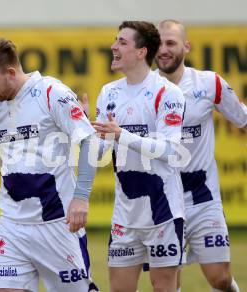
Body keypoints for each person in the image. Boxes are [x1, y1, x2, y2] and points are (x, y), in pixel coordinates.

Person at [0, 38, 99, 292]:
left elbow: (89, 140)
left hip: (57, 224)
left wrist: (81, 197)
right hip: (11, 227)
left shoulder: (50, 92)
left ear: (10, 73)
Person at [92, 21, 186, 292]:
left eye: (122, 42)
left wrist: (121, 134)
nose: (114, 46)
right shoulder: (109, 93)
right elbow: (99, 151)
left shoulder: (167, 92)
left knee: (164, 288)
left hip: (163, 211)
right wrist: (86, 134)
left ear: (142, 52)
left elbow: (169, 150)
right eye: (115, 40)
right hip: (125, 215)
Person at [156, 19, 246, 292]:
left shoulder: (209, 84)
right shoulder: (144, 89)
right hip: (162, 201)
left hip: (203, 197)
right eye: (158, 44)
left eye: (170, 43)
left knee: (219, 278)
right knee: (167, 284)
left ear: (186, 46)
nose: (163, 50)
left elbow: (242, 120)